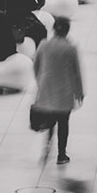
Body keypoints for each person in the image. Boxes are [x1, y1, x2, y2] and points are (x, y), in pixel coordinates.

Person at [32, 16, 83, 164]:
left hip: (47, 88)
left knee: (49, 119)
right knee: (63, 122)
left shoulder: (44, 45)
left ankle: (47, 145)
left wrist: (39, 81)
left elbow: (36, 65)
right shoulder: (70, 48)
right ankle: (61, 154)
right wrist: (79, 92)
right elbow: (76, 72)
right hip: (64, 91)